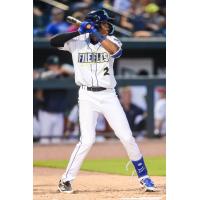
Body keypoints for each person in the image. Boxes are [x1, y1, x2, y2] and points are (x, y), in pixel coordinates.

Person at [50, 9, 156, 193]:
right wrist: (80, 31)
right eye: (105, 23)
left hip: (108, 95)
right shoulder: (76, 41)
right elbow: (54, 42)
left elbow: (115, 52)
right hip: (86, 96)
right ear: (97, 23)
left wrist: (96, 33)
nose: (108, 26)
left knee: (126, 136)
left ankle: (144, 176)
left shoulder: (112, 40)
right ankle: (66, 180)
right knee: (87, 139)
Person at [35, 56, 74, 144]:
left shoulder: (63, 74)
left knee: (57, 142)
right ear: (47, 66)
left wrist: (63, 70)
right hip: (46, 113)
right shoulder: (44, 74)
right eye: (52, 65)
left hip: (59, 114)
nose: (54, 67)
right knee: (44, 141)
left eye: (55, 65)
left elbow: (73, 72)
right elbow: (38, 94)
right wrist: (55, 72)